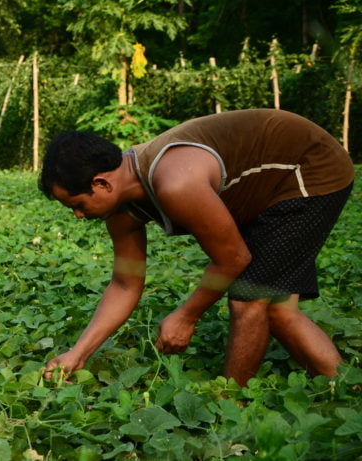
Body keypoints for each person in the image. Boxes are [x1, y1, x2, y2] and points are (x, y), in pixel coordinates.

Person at [39, 109, 354, 386]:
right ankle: (343, 387)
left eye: (77, 205)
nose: (78, 216)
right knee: (278, 308)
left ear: (101, 184)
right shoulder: (122, 212)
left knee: (250, 300)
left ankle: (230, 408)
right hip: (261, 189)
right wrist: (78, 353)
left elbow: (233, 259)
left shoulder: (175, 183)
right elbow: (125, 283)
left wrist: (186, 316)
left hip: (309, 167)